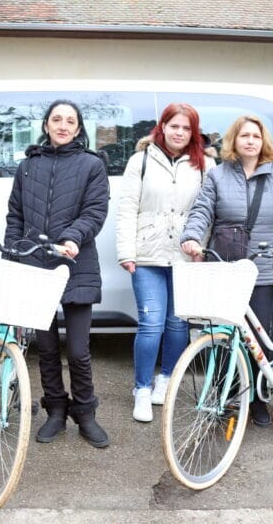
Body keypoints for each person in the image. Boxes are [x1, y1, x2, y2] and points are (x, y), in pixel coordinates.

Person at [180, 114, 273, 428]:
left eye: (256, 136)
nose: (250, 141)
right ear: (234, 140)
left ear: (264, 142)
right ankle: (225, 395)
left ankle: (258, 400)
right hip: (226, 265)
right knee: (222, 334)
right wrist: (192, 237)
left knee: (257, 340)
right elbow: (202, 209)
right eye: (244, 135)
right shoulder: (218, 175)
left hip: (262, 268)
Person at [5, 99, 111, 448]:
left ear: (78, 128)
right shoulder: (27, 167)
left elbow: (95, 211)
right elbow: (15, 215)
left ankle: (86, 412)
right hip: (35, 265)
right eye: (56, 119)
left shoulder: (92, 165)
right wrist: (13, 254)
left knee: (78, 349)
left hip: (75, 264)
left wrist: (73, 237)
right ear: (46, 125)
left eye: (70, 121)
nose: (63, 125)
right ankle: (55, 410)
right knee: (46, 347)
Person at [116, 103, 216, 423]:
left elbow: (211, 212)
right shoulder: (141, 160)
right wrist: (126, 252)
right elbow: (127, 208)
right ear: (162, 126)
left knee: (178, 324)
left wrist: (202, 249)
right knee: (151, 324)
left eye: (186, 128)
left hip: (186, 256)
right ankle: (142, 389)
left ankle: (166, 380)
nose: (179, 133)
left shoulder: (205, 165)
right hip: (147, 256)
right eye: (174, 126)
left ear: (193, 133)